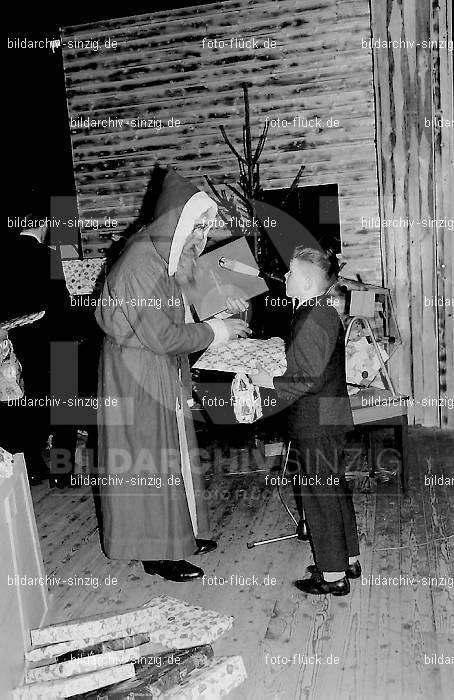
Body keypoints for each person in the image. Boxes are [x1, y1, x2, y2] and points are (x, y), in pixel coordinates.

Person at [95, 169, 250, 582]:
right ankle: (157, 550)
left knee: (173, 456)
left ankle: (178, 534)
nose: (201, 236)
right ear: (175, 221)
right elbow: (162, 334)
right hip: (137, 376)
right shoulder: (139, 265)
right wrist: (217, 331)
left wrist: (219, 309)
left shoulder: (163, 254)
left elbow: (176, 309)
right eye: (196, 225)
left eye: (206, 227)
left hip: (156, 368)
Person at [251, 246, 360, 596]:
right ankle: (347, 559)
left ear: (309, 281)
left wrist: (267, 380)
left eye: (290, 274)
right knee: (333, 486)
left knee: (318, 492)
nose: (284, 278)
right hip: (330, 413)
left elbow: (305, 379)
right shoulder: (321, 311)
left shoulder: (314, 317)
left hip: (315, 418)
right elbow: (310, 362)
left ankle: (332, 576)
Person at [1, 192, 78, 486]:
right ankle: (62, 473)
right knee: (66, 408)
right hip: (53, 345)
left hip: (15, 348)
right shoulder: (47, 255)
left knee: (23, 409)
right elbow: (61, 306)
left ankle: (31, 467)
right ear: (43, 222)